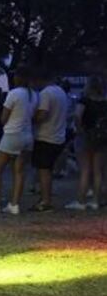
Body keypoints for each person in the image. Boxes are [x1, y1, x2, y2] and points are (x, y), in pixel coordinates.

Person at [0, 67, 37, 215]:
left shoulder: (14, 93)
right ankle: (14, 204)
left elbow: (4, 117)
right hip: (28, 135)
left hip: (12, 134)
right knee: (19, 171)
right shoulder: (34, 95)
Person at [66, 75, 107, 210]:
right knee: (98, 171)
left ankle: (81, 201)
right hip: (101, 138)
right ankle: (96, 200)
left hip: (86, 137)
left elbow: (78, 116)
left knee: (85, 170)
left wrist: (79, 129)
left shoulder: (84, 100)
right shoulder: (104, 101)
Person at [30, 69, 69, 212]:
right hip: (59, 136)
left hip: (46, 136)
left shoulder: (46, 93)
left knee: (43, 170)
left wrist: (31, 118)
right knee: (48, 169)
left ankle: (46, 201)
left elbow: (42, 115)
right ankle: (45, 198)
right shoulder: (61, 92)